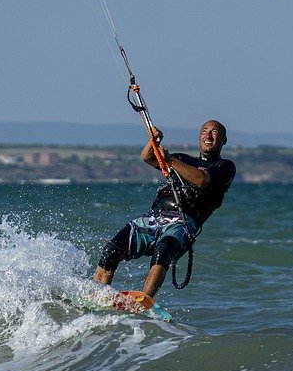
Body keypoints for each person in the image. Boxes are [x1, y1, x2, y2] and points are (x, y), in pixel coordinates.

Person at [92, 119, 236, 298]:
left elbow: (202, 180)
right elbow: (148, 157)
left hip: (183, 223)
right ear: (199, 136)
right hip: (155, 217)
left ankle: (145, 300)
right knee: (112, 249)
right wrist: (153, 140)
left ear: (224, 139)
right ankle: (97, 293)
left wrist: (170, 160)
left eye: (214, 132)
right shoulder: (184, 159)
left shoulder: (225, 167)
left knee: (163, 251)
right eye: (204, 131)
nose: (208, 135)